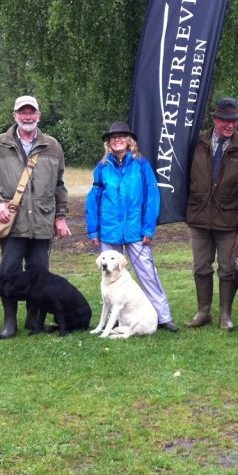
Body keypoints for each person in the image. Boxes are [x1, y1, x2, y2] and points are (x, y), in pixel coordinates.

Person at [0, 95, 71, 338]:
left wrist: (60, 216)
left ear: (39, 115)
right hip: (12, 222)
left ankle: (34, 320)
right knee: (7, 273)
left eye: (32, 112)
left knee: (39, 274)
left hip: (42, 221)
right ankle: (10, 323)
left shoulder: (52, 145)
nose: (28, 116)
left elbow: (60, 184)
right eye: (23, 112)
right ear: (15, 116)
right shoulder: (1, 143)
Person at [86, 121, 179, 332]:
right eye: (113, 137)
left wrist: (148, 228)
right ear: (108, 143)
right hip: (109, 229)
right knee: (109, 276)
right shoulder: (102, 168)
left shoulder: (141, 165)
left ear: (129, 141)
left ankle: (162, 316)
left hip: (136, 229)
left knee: (147, 272)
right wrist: (93, 229)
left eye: (121, 136)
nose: (117, 139)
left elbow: (152, 197)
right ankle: (113, 321)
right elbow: (93, 199)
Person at [184, 98, 238, 330]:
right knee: (200, 267)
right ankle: (203, 312)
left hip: (230, 219)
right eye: (225, 120)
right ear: (215, 119)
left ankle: (225, 315)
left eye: (234, 121)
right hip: (199, 216)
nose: (230, 125)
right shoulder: (196, 142)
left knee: (228, 268)